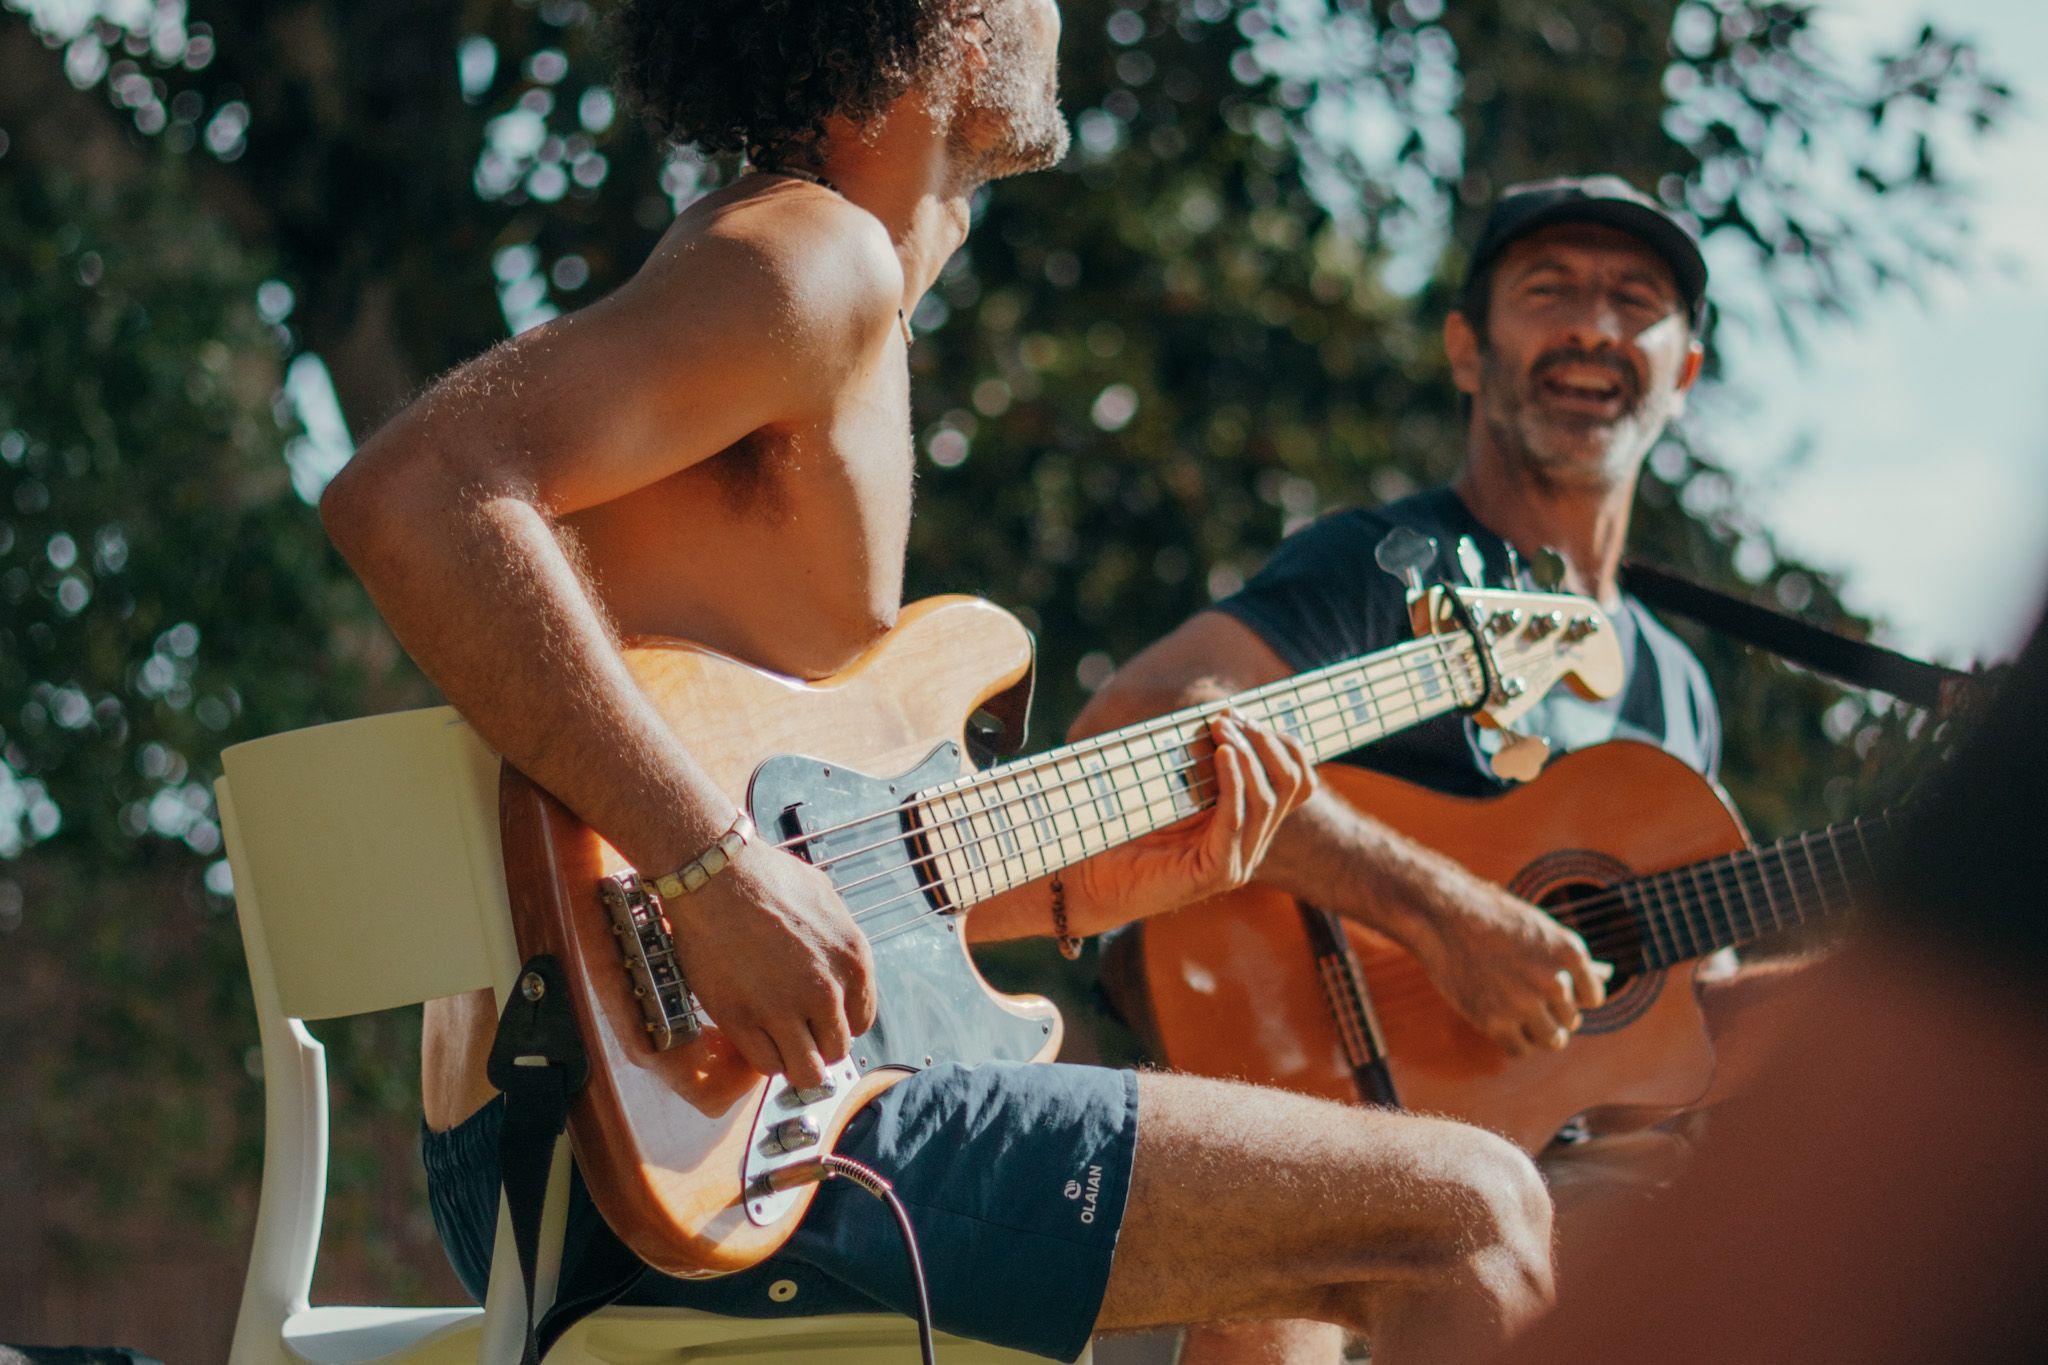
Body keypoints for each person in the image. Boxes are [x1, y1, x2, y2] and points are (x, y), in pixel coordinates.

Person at [317, 4, 1553, 1362]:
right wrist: (707, 870)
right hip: (672, 1154)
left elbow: (820, 858)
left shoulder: (804, 278)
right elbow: (414, 489)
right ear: (953, 29)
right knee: (1473, 1210)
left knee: (1278, 1246)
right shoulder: (809, 253)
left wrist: (1104, 886)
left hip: (587, 1147)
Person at [1076, 176, 1802, 1365]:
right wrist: (1440, 914)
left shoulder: (1677, 685)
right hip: (1287, 1122)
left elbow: (1677, 1034)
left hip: (1552, 1178)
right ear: (1466, 349)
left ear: (1680, 372)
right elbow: (1137, 721)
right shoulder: (1386, 570)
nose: (1591, 326)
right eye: (1548, 291)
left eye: (1634, 300)